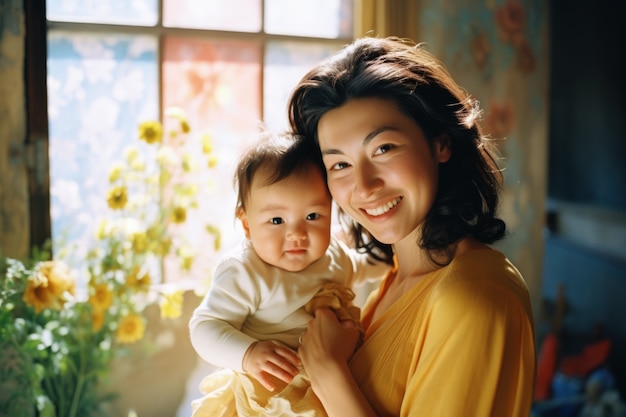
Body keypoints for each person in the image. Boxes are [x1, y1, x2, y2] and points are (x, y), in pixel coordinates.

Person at [287, 36, 537, 417]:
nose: (365, 186)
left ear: (441, 143)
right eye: (339, 164)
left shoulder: (473, 297)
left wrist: (327, 372)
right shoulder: (393, 282)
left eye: (383, 149)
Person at [188, 131, 389, 417]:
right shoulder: (246, 271)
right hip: (269, 398)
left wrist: (395, 255)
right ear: (246, 225)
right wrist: (248, 354)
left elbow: (365, 266)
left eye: (312, 216)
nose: (296, 233)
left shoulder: (333, 255)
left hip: (327, 394)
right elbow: (205, 328)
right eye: (277, 220)